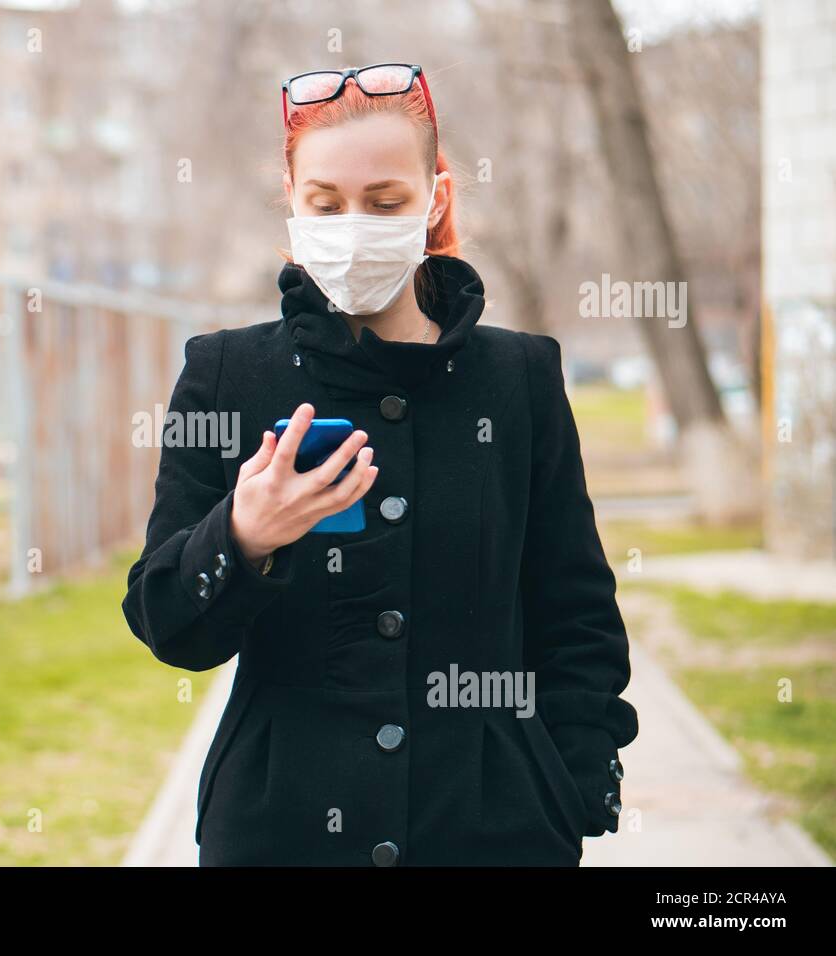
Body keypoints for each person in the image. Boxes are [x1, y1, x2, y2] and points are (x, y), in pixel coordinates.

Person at [122, 63, 638, 866]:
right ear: (291, 203)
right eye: (325, 204)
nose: (353, 224)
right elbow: (167, 626)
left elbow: (574, 610)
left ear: (433, 198)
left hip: (491, 828)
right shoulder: (228, 374)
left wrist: (571, 790)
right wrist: (243, 536)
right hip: (283, 831)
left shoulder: (519, 378)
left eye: (385, 202)